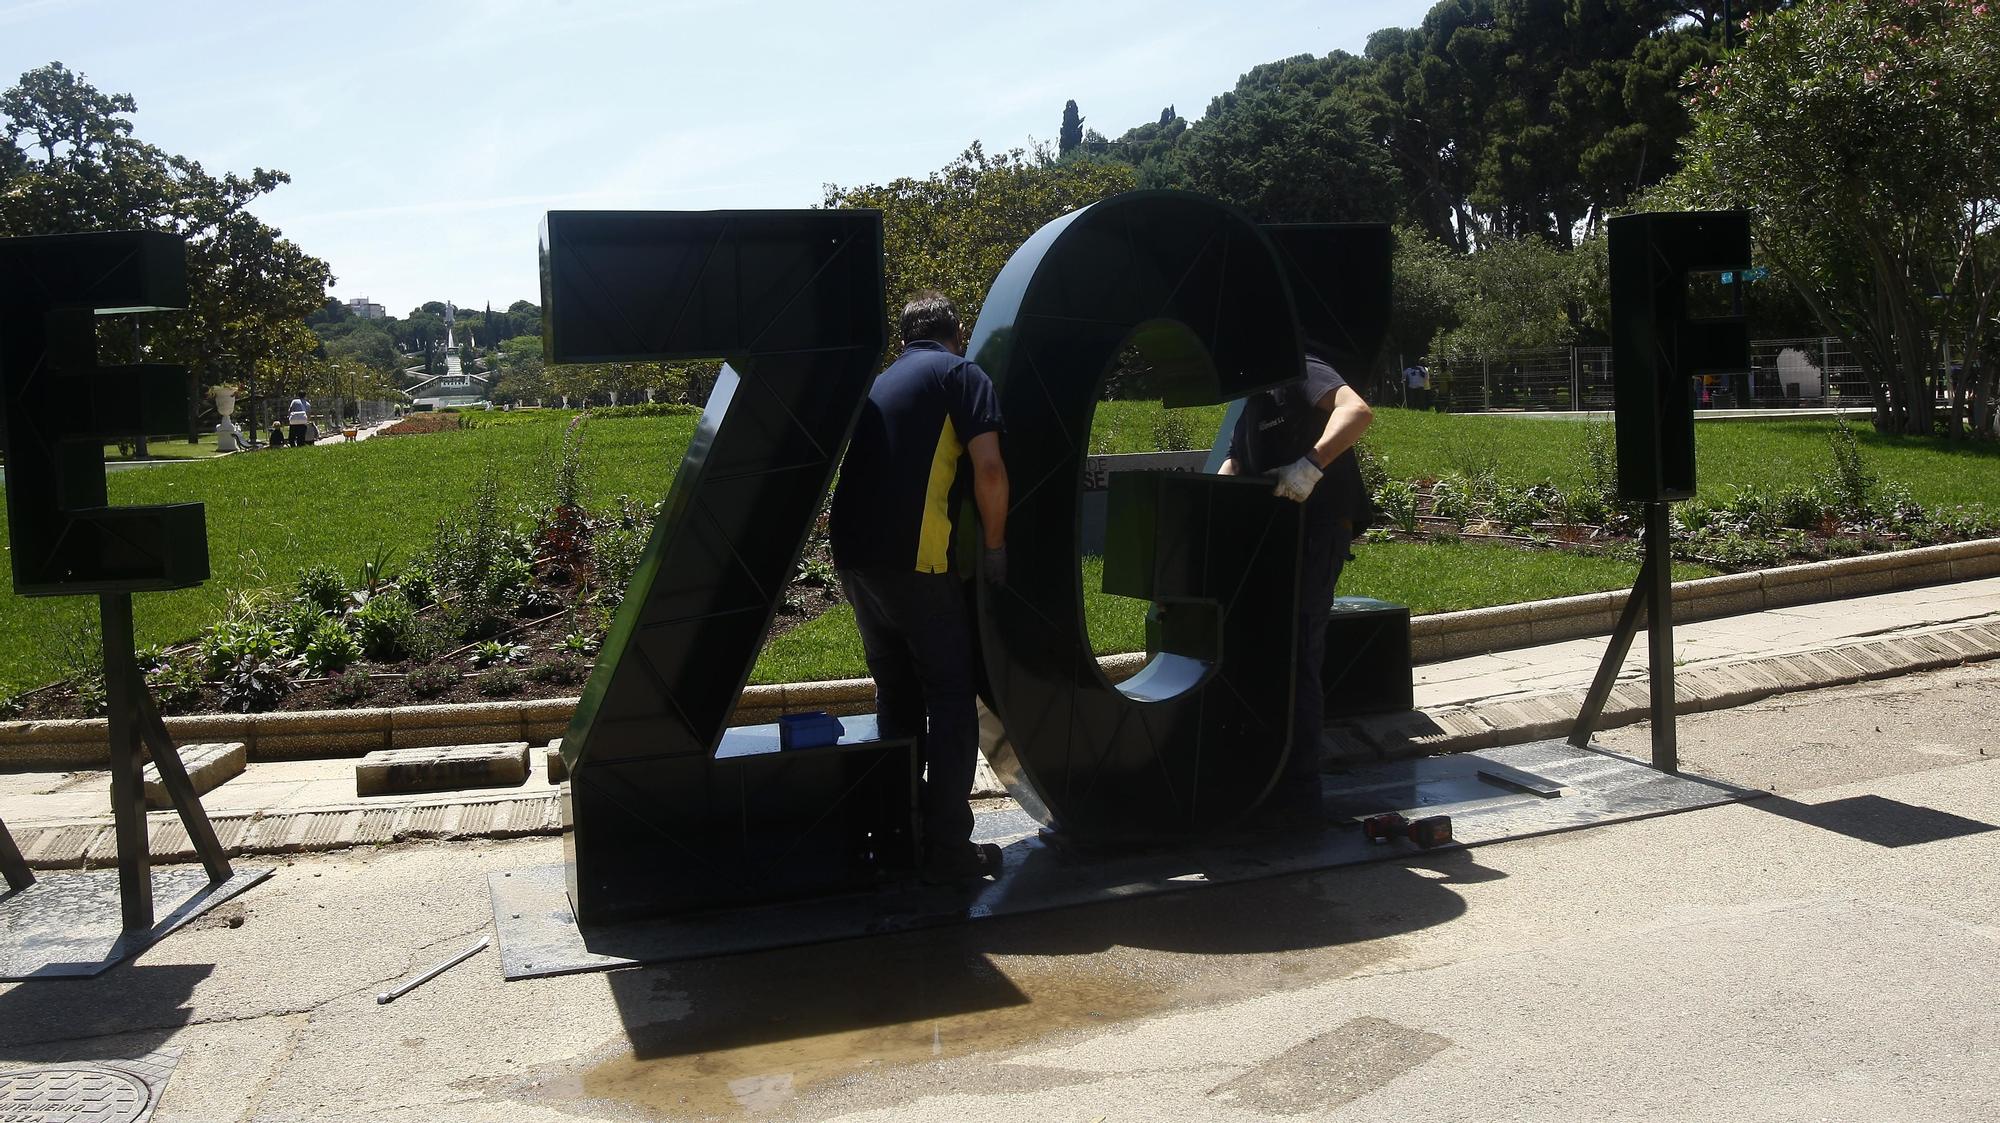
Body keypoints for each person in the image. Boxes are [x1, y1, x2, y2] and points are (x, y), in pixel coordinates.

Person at [830, 291, 1010, 883]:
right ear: (956, 332)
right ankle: (951, 850)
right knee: (951, 698)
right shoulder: (962, 374)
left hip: (855, 560)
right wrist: (994, 545)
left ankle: (900, 835)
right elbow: (988, 468)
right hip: (914, 560)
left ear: (904, 337)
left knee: (897, 695)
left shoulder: (882, 383)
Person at [1218, 342, 1373, 820]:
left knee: (1298, 653)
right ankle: (1267, 776)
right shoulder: (1251, 403)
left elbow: (1357, 412)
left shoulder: (1300, 369)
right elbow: (1235, 462)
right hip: (1275, 541)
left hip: (1317, 532)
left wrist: (1310, 464)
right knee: (1272, 654)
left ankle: (1300, 792)